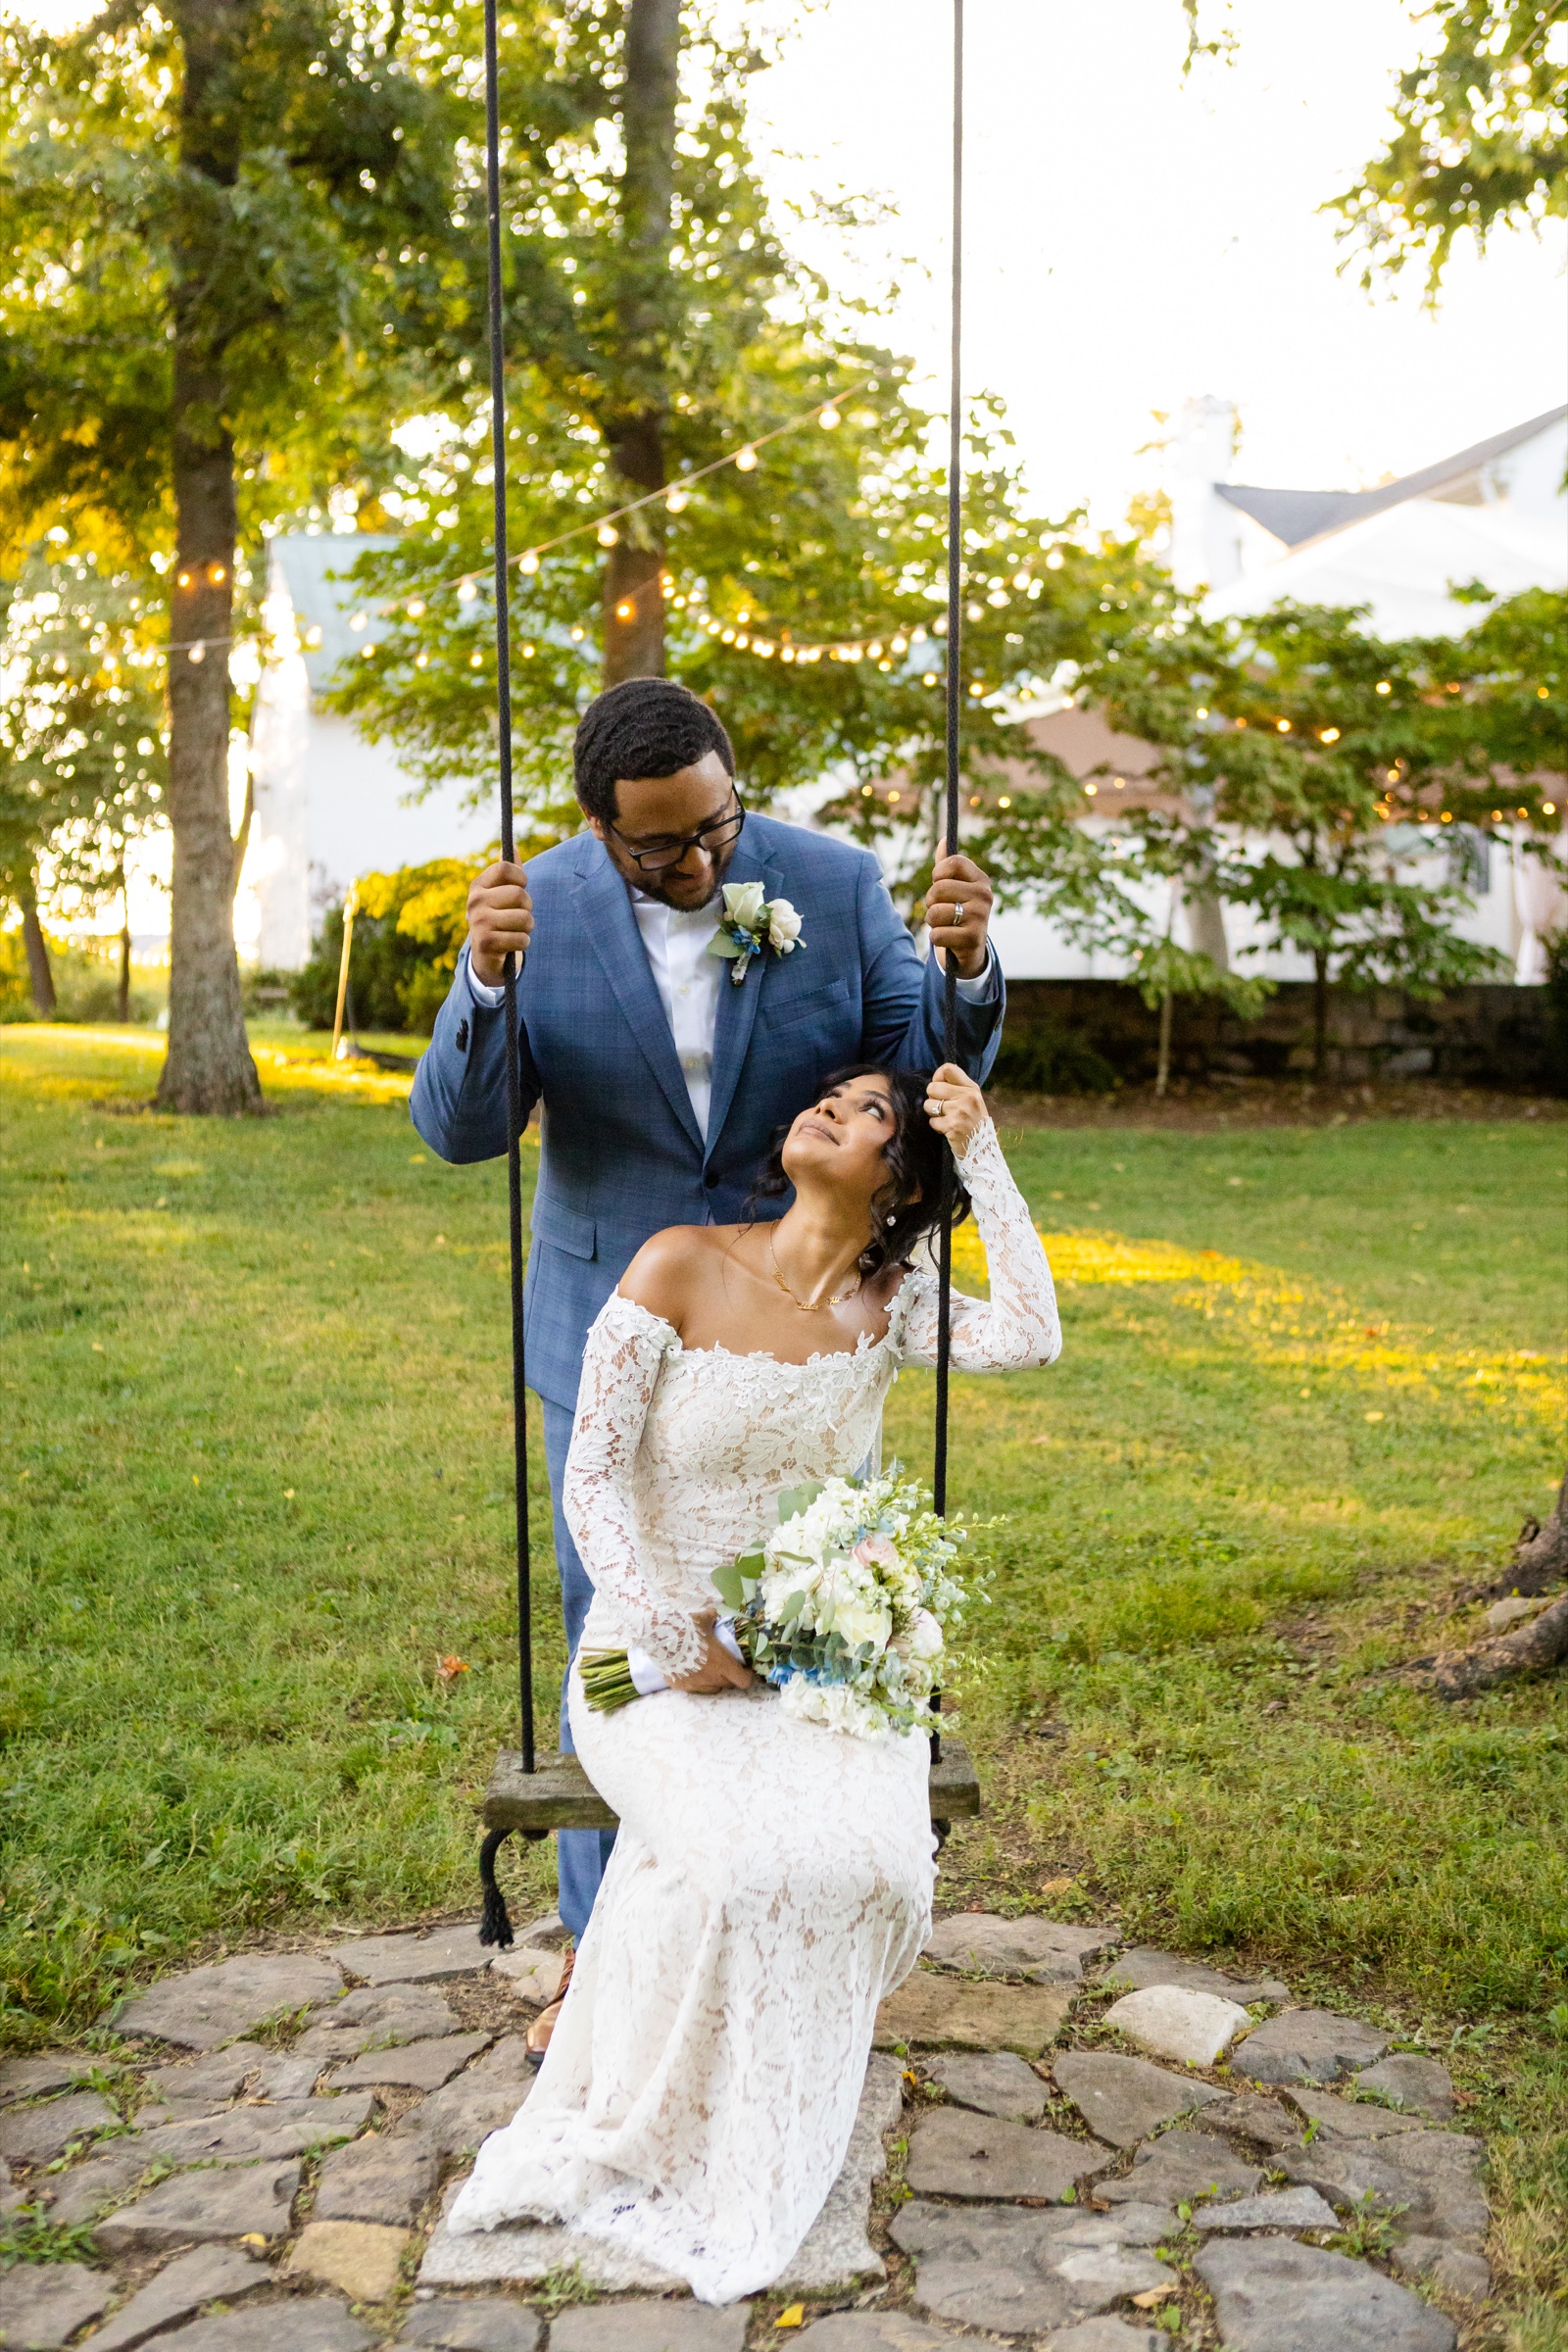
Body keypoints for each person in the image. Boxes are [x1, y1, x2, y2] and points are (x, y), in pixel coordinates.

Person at [410, 676, 1006, 2013]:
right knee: (624, 1637)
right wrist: (485, 981)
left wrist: (963, 969)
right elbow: (459, 1132)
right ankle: (609, 1961)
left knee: (790, 1629)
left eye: (715, 830)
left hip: (786, 1342)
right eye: (661, 848)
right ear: (600, 831)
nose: (698, 864)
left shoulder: (833, 883)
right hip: (604, 1325)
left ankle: (774, 1937)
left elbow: (922, 1079)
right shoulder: (537, 908)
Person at [446, 1058, 1060, 2300]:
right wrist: (669, 1627)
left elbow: (1035, 1335)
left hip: (824, 1659)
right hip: (646, 1653)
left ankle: (779, 2080)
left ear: (899, 1180)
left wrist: (982, 1149)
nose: (834, 1105)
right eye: (831, 1094)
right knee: (739, 1863)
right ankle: (674, 2125)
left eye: (872, 1110)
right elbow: (592, 1480)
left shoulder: (896, 1303)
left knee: (876, 1864)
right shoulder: (676, 1260)